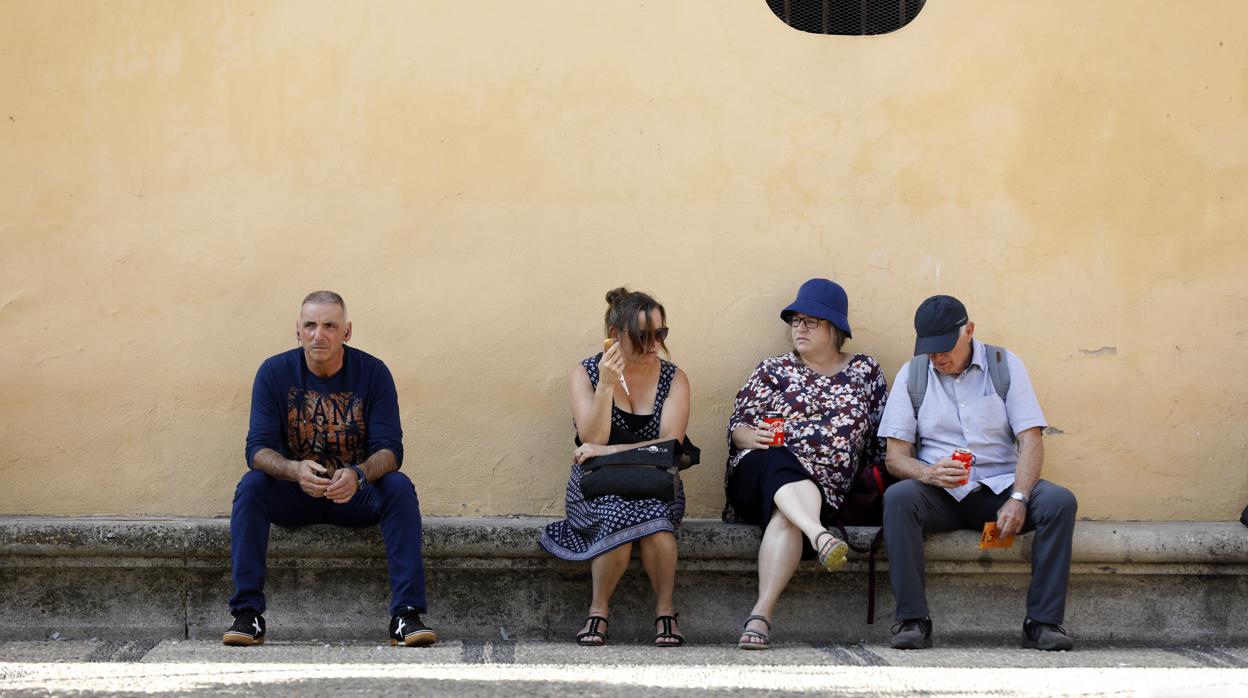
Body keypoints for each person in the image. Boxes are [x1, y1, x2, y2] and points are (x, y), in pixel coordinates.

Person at [224, 290, 436, 648]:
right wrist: (294, 470)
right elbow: (256, 450)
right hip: (296, 493)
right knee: (252, 485)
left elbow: (391, 451)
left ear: (347, 332)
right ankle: (248, 615)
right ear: (297, 330)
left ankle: (406, 615)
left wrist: (358, 475)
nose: (318, 334)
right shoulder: (274, 373)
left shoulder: (373, 373)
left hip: (354, 495)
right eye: (310, 325)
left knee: (398, 486)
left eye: (329, 326)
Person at [878, 295, 1077, 651]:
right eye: (930, 350)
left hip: (997, 495)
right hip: (940, 495)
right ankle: (912, 620)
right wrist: (927, 473)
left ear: (968, 331)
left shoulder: (1004, 365)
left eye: (944, 348)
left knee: (1059, 502)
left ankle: (1043, 622)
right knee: (898, 497)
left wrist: (1018, 498)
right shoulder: (913, 375)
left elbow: (1031, 440)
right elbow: (895, 457)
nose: (938, 358)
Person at [723, 278, 887, 650]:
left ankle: (761, 616)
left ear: (835, 330)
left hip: (823, 491)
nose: (800, 328)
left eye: (811, 321)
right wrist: (754, 438)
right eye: (795, 321)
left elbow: (879, 438)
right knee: (780, 459)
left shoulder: (866, 372)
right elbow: (738, 429)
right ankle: (820, 535)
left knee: (787, 518)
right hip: (760, 472)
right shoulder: (773, 369)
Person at [539, 288, 692, 647]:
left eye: (661, 333)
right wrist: (607, 384)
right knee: (614, 516)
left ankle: (665, 612)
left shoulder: (674, 378)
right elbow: (591, 436)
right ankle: (598, 610)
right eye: (643, 335)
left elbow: (669, 446)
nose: (654, 343)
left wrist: (610, 450)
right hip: (596, 485)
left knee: (657, 525)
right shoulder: (586, 373)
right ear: (614, 335)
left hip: (654, 483)